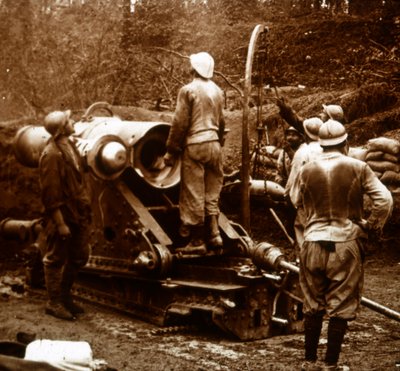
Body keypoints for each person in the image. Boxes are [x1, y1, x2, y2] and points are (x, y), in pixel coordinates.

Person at [290, 120, 393, 371]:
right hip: (345, 242)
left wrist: (313, 217)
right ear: (346, 144)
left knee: (312, 302)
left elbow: (295, 199)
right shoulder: (358, 167)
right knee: (341, 303)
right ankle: (331, 364)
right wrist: (371, 225)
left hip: (312, 241)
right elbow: (384, 200)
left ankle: (309, 360)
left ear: (321, 145)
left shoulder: (306, 169)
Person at [163, 52, 226, 254]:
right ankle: (215, 235)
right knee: (211, 191)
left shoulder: (187, 90)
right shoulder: (218, 90)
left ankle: (197, 241)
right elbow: (222, 121)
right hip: (215, 145)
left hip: (195, 145)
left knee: (193, 192)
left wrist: (171, 151)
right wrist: (218, 141)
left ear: (193, 69)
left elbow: (180, 123)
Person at [39, 110, 92, 320]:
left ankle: (64, 296)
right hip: (62, 215)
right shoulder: (51, 155)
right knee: (55, 258)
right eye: (69, 121)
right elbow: (50, 194)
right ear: (62, 128)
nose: (73, 122)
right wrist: (60, 223)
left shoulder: (69, 147)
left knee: (79, 256)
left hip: (77, 212)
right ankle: (53, 302)